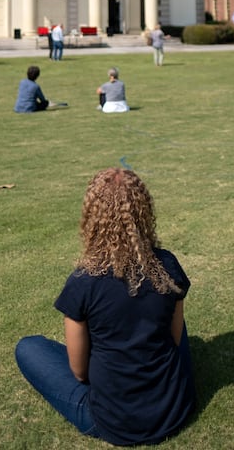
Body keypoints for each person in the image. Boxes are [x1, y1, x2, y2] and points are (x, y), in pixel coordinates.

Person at [15, 168, 195, 446]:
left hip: (113, 422)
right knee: (177, 326)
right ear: (144, 212)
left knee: (28, 347)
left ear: (92, 216)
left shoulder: (83, 282)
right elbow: (173, 339)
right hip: (175, 410)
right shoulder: (167, 265)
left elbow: (80, 373)